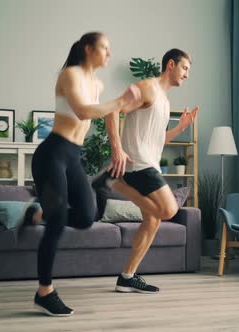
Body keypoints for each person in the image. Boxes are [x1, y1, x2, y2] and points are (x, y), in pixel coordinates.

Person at [32, 32, 140, 316]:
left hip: (73, 157)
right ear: (88, 49)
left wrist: (120, 132)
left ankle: (41, 214)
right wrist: (119, 102)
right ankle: (45, 292)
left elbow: (108, 112)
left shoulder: (98, 83)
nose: (109, 53)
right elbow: (82, 111)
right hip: (52, 154)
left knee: (85, 217)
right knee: (56, 226)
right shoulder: (70, 75)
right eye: (104, 47)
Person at [94, 48, 199, 294]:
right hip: (137, 163)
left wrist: (181, 127)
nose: (187, 75)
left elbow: (157, 138)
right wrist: (117, 150)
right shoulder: (148, 87)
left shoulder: (163, 98)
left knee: (152, 220)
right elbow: (112, 110)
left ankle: (127, 277)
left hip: (147, 162)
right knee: (169, 209)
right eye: (185, 68)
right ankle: (114, 184)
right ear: (171, 64)